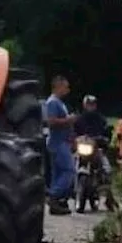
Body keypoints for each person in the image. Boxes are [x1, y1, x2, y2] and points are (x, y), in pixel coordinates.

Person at [43, 75, 77, 215]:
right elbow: (51, 122)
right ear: (58, 86)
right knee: (69, 170)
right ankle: (54, 194)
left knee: (57, 174)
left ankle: (56, 205)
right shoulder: (52, 102)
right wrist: (68, 120)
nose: (68, 90)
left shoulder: (60, 103)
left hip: (63, 141)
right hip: (57, 143)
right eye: (66, 87)